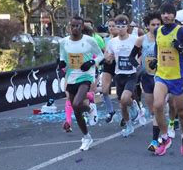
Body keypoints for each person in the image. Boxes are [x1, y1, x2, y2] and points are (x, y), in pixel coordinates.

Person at [152, 2, 183, 156]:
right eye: (163, 13)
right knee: (157, 105)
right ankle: (165, 137)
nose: (166, 16)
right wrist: (154, 60)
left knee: (181, 111)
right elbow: (157, 48)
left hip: (177, 77)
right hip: (161, 75)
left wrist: (181, 48)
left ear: (174, 15)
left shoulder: (182, 31)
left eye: (169, 13)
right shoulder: (158, 30)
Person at [59, 16, 104, 151]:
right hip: (71, 76)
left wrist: (91, 62)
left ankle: (89, 109)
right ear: (69, 27)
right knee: (77, 111)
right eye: (72, 26)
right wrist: (61, 62)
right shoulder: (63, 42)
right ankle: (86, 136)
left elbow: (101, 55)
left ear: (82, 27)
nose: (75, 28)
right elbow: (62, 57)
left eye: (78, 26)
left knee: (76, 104)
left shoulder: (89, 41)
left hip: (86, 76)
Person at [129, 13, 162, 151]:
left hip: (162, 77)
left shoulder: (164, 39)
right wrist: (137, 66)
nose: (155, 27)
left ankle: (156, 139)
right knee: (152, 109)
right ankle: (161, 126)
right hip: (147, 77)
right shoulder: (141, 40)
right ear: (147, 26)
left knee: (159, 106)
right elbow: (132, 56)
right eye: (153, 24)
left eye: (158, 24)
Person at [105, 14, 140, 138]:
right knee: (122, 104)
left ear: (127, 27)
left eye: (122, 26)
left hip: (131, 74)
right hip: (119, 74)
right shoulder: (112, 42)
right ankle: (129, 125)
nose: (120, 29)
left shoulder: (135, 39)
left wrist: (139, 62)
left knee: (125, 99)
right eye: (117, 26)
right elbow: (108, 57)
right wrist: (108, 59)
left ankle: (134, 105)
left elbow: (141, 53)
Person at [102, 18, 118, 123]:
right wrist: (107, 58)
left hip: (120, 66)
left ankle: (135, 109)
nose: (111, 28)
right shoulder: (106, 39)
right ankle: (110, 111)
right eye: (110, 26)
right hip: (108, 65)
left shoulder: (122, 39)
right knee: (104, 90)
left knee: (122, 93)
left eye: (113, 26)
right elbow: (105, 53)